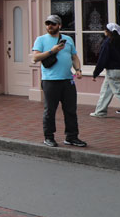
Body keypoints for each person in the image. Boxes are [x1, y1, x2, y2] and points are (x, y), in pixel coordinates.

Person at [32, 14, 86, 147]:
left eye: (53, 24)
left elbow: (74, 56)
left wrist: (78, 69)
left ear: (59, 26)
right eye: (48, 23)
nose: (49, 26)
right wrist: (52, 51)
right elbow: (35, 58)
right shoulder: (41, 40)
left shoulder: (68, 39)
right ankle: (49, 137)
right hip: (50, 81)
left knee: (70, 110)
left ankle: (71, 137)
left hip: (67, 80)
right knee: (50, 110)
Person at [91, 22, 120, 118]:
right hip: (118, 70)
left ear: (108, 31)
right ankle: (100, 111)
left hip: (112, 71)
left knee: (119, 91)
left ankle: (100, 112)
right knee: (105, 91)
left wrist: (95, 73)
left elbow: (102, 59)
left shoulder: (108, 43)